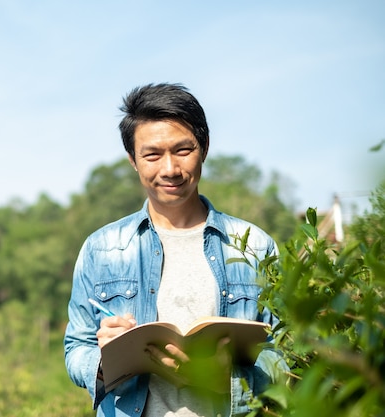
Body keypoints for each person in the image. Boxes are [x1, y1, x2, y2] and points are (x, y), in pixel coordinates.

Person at [63, 83, 287, 417]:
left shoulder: (255, 245)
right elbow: (76, 348)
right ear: (133, 161)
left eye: (183, 150)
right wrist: (104, 359)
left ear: (205, 148)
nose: (170, 169)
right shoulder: (102, 249)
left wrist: (228, 378)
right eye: (152, 155)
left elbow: (287, 353)